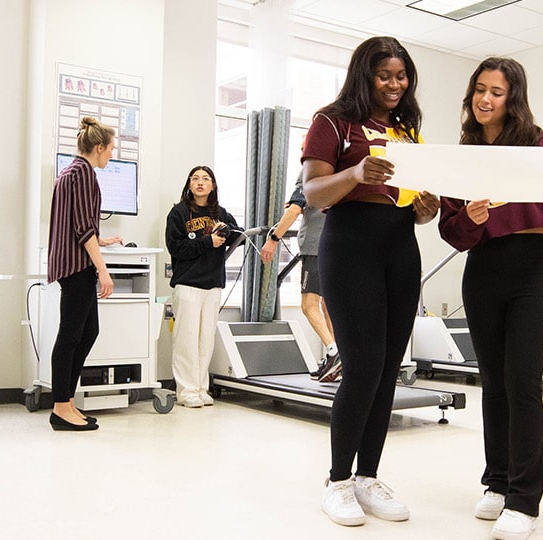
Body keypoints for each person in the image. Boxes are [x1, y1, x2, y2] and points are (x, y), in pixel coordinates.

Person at [437, 57, 543, 540]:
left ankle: (525, 500)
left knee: (523, 381)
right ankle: (497, 483)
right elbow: (452, 232)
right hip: (484, 269)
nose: (485, 99)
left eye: (496, 92)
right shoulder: (463, 153)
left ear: (513, 97)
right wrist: (473, 218)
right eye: (479, 90)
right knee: (494, 383)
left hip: (534, 266)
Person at [302, 36, 440, 527]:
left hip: (401, 245)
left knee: (387, 368)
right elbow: (314, 190)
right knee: (361, 366)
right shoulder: (331, 121)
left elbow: (416, 197)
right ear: (365, 73)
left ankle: (367, 477)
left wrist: (426, 210)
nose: (395, 84)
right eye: (385, 75)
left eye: (402, 76)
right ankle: (338, 480)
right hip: (351, 244)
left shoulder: (406, 127)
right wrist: (357, 171)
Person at [46, 117, 124, 431]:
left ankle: (66, 402)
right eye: (110, 151)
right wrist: (103, 270)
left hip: (73, 263)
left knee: (86, 333)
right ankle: (61, 407)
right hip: (78, 267)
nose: (111, 156)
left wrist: (101, 239)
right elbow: (82, 229)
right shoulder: (82, 174)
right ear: (98, 147)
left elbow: (78, 224)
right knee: (70, 337)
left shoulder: (70, 172)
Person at [164, 166, 239, 408]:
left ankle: (200, 388)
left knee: (205, 340)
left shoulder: (221, 213)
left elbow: (236, 234)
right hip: (187, 284)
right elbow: (176, 248)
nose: (200, 182)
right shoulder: (178, 213)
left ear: (213, 185)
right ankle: (186, 391)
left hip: (213, 284)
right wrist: (209, 241)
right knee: (185, 339)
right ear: (189, 184)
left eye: (205, 179)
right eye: (195, 178)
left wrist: (224, 233)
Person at [259, 181, 341, 382]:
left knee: (308, 304)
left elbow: (294, 210)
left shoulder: (309, 174)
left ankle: (333, 352)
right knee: (328, 306)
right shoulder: (336, 173)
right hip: (337, 245)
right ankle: (341, 361)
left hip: (315, 249)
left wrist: (273, 238)